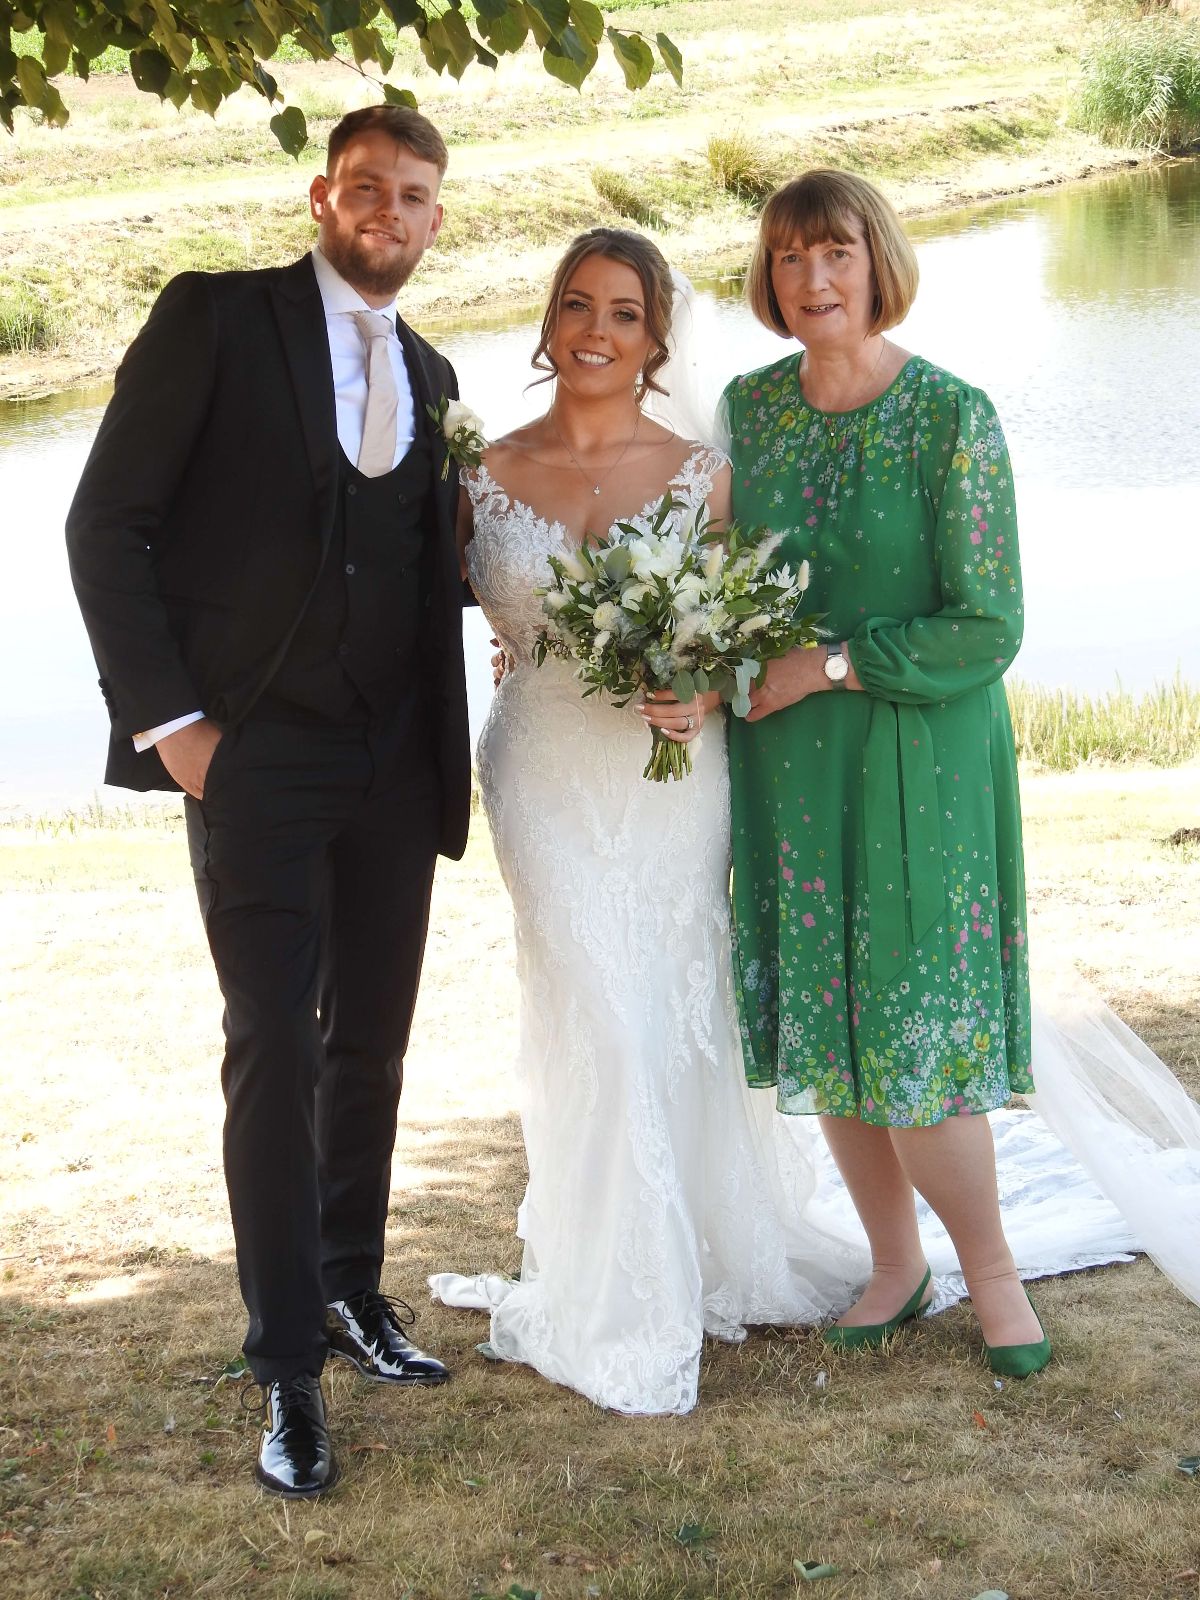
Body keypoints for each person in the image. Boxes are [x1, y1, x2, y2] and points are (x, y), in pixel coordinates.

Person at [65, 105, 471, 1497]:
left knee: (371, 1043)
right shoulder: (216, 321)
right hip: (254, 759)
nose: (390, 214)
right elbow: (103, 522)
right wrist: (178, 730)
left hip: (396, 760)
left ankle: (355, 1292)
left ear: (435, 216)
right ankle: (287, 1366)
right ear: (322, 195)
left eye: (415, 197)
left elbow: (433, 571)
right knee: (274, 1047)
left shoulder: (434, 369)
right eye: (368, 189)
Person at [444, 227, 863, 1414]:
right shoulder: (480, 472)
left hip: (672, 772)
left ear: (656, 339)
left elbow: (733, 635)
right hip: (541, 771)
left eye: (625, 313)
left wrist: (704, 694)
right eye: (577, 305)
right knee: (597, 1019)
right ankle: (615, 1292)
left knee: (670, 1002)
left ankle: (697, 1243)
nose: (595, 331)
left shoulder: (700, 473)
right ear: (548, 320)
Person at [723, 168, 1050, 1374]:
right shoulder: (747, 412)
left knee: (914, 1028)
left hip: (921, 755)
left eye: (839, 254)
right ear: (769, 277)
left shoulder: (954, 415)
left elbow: (990, 621)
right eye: (793, 258)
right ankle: (895, 1261)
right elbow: (712, 576)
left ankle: (997, 1274)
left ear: (878, 263)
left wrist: (834, 663)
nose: (815, 280)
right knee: (833, 1014)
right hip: (788, 765)